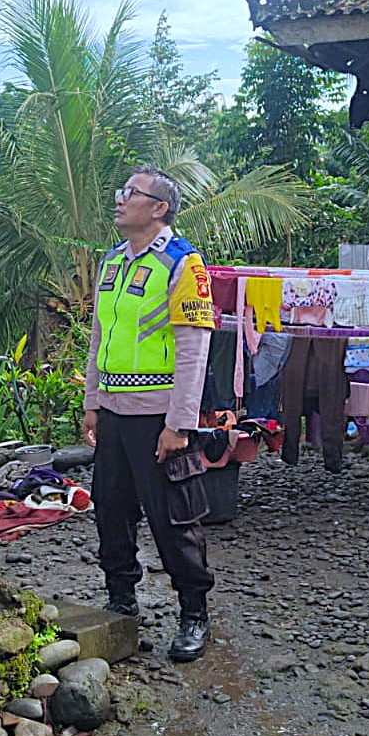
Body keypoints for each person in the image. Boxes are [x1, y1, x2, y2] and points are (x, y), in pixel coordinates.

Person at [82, 166, 218, 663]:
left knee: (173, 518)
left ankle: (194, 613)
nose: (120, 200)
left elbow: (194, 350)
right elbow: (100, 337)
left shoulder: (183, 265)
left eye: (131, 193)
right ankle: (120, 600)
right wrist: (92, 402)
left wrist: (179, 424)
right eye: (121, 191)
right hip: (113, 412)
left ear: (159, 208)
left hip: (158, 417)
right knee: (110, 509)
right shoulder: (111, 263)